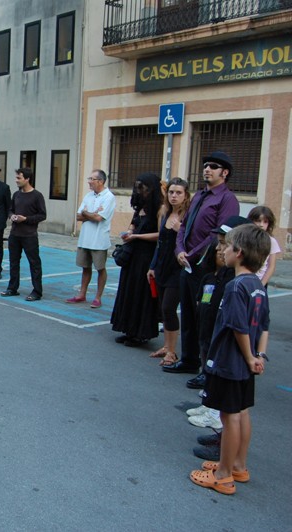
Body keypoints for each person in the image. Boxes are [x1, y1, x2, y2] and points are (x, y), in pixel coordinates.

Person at [189, 223, 271, 496]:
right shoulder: (258, 285)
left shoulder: (236, 287)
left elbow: (239, 327)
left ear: (240, 253)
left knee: (229, 416)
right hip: (246, 363)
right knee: (241, 412)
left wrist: (248, 357)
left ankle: (223, 475)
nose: (221, 250)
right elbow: (264, 325)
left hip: (230, 362)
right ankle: (237, 464)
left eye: (226, 246)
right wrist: (259, 356)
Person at [165, 151, 239, 374]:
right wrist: (179, 250)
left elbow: (218, 235)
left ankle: (207, 370)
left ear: (224, 173)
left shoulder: (227, 199)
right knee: (187, 313)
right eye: (206, 165)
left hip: (206, 268)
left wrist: (192, 253)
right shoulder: (199, 195)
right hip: (187, 265)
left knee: (205, 318)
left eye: (213, 166)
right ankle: (189, 360)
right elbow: (184, 225)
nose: (207, 169)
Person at [110, 173, 162, 346]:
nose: (140, 191)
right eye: (138, 187)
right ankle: (129, 330)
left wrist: (137, 237)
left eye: (143, 188)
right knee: (129, 291)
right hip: (133, 255)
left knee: (142, 295)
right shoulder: (140, 206)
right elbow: (133, 224)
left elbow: (161, 235)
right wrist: (130, 233)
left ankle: (141, 334)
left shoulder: (160, 209)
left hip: (147, 256)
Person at [147, 177, 191, 365]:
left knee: (169, 308)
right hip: (162, 267)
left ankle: (172, 352)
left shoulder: (188, 216)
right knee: (163, 310)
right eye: (171, 192)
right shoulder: (164, 213)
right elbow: (160, 243)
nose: (174, 196)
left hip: (177, 269)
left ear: (186, 195)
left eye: (178, 193)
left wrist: (180, 228)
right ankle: (166, 346)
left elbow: (192, 242)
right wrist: (153, 266)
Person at [66, 169, 116, 308]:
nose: (89, 181)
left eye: (92, 179)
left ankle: (98, 297)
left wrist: (87, 214)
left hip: (99, 239)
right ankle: (82, 294)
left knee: (100, 268)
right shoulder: (88, 196)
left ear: (100, 181)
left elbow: (99, 218)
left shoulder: (109, 197)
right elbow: (78, 216)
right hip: (85, 238)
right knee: (85, 267)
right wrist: (90, 214)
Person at [0, 168, 46, 300]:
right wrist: (12, 216)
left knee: (34, 263)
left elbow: (42, 215)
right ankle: (12, 288)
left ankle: (37, 291)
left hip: (29, 235)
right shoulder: (16, 195)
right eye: (16, 178)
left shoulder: (37, 196)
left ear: (27, 179)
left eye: (19, 178)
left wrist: (26, 219)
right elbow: (10, 210)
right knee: (13, 262)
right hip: (15, 234)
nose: (16, 180)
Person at [247, 205, 281, 288]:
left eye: (265, 222)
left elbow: (271, 266)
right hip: (244, 279)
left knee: (258, 301)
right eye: (258, 221)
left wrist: (262, 283)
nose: (261, 225)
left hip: (260, 280)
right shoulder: (245, 237)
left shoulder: (271, 241)